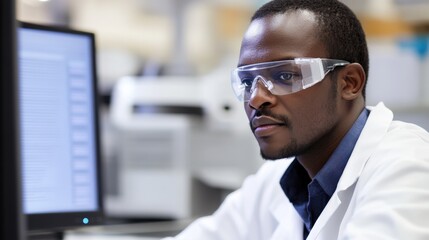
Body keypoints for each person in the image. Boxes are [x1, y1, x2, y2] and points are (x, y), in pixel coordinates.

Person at [163, 0, 429, 239]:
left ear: (350, 83)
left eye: (285, 76)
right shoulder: (277, 179)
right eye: (246, 82)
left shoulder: (407, 166)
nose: (256, 98)